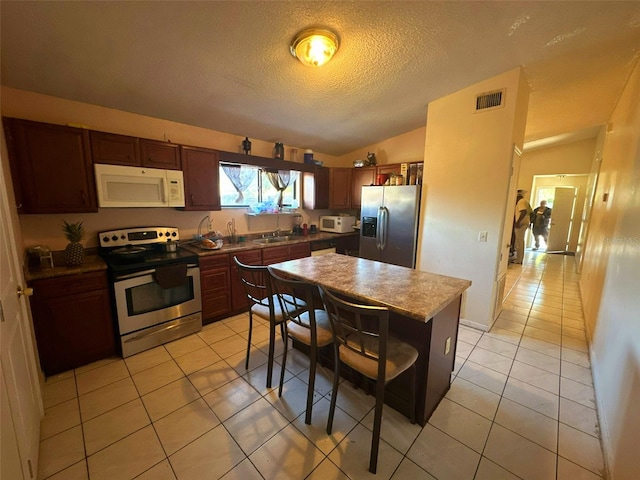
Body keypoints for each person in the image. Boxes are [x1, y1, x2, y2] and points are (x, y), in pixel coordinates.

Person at [511, 189, 532, 264]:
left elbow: (524, 212)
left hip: (521, 224)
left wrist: (518, 222)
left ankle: (519, 259)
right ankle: (518, 258)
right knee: (519, 241)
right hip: (525, 223)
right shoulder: (525, 201)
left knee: (519, 241)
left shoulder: (521, 202)